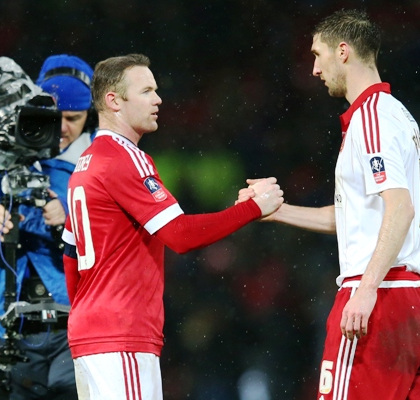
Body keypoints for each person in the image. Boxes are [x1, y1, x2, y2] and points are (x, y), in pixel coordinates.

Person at [239, 9, 420, 399]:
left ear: (343, 52)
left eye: (318, 54)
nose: (313, 69)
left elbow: (400, 209)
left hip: (378, 296)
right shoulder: (399, 115)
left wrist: (365, 291)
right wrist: (275, 211)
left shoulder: (371, 119)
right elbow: (359, 217)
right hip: (416, 300)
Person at [61, 53, 283, 400]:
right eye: (146, 91)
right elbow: (179, 236)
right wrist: (253, 209)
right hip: (122, 333)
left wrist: (88, 316)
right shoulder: (125, 157)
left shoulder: (84, 165)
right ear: (114, 101)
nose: (158, 99)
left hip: (90, 334)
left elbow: (71, 257)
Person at [0, 54, 94, 399]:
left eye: (73, 118)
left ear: (89, 115)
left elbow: (123, 243)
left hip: (77, 327)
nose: (62, 127)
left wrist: (72, 221)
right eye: (54, 117)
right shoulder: (7, 154)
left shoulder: (99, 163)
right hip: (15, 328)